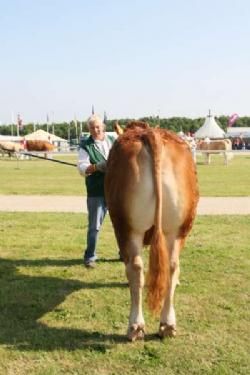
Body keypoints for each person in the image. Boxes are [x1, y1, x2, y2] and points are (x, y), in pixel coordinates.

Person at [77, 115, 116, 268]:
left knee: (120, 224)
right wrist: (97, 166)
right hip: (96, 191)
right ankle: (90, 257)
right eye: (92, 127)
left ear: (103, 127)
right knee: (94, 226)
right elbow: (82, 168)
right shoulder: (85, 145)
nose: (95, 130)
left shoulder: (113, 140)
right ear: (89, 129)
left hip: (115, 190)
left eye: (98, 126)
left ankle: (123, 253)